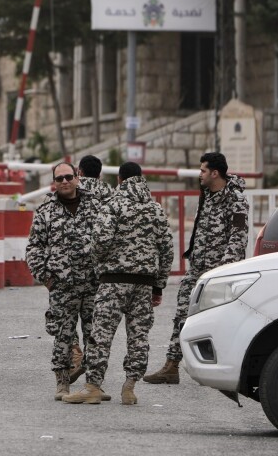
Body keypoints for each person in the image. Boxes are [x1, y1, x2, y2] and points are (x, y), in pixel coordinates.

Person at [62, 162, 173, 405]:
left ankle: (93, 386)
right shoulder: (155, 209)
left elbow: (100, 242)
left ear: (120, 180)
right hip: (144, 283)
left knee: (101, 335)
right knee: (138, 337)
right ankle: (129, 388)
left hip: (114, 281)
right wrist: (159, 285)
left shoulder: (114, 204)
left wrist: (100, 267)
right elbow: (166, 249)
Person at [144, 152, 249, 384]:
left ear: (215, 173)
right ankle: (171, 366)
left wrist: (223, 270)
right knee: (182, 313)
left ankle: (228, 368)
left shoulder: (236, 199)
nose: (199, 174)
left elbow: (238, 238)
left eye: (202, 170)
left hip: (218, 273)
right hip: (197, 269)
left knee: (220, 320)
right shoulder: (207, 195)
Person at [26, 162, 102, 399]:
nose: (65, 182)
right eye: (59, 179)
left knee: (96, 335)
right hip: (62, 285)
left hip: (93, 283)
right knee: (63, 335)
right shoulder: (45, 211)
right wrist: (46, 277)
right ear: (54, 183)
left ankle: (94, 384)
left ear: (78, 178)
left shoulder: (97, 205)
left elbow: (111, 240)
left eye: (69, 177)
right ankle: (62, 382)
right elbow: (34, 248)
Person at [66, 154, 114, 381]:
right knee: (93, 319)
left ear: (80, 172)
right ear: (100, 173)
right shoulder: (111, 195)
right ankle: (92, 366)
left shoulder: (74, 190)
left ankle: (75, 353)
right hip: (100, 268)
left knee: (64, 315)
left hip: (71, 266)